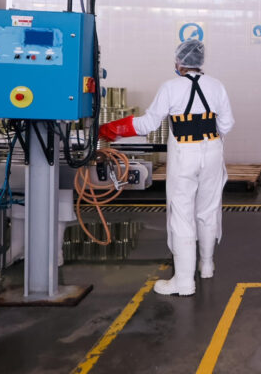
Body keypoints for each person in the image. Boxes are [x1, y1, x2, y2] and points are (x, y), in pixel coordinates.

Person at [99, 39, 234, 296]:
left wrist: (111, 129)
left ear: (179, 62)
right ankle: (206, 266)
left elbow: (148, 125)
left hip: (185, 153)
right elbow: (227, 125)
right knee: (208, 209)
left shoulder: (170, 87)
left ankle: (184, 282)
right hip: (213, 151)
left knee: (182, 213)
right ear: (200, 61)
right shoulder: (217, 86)